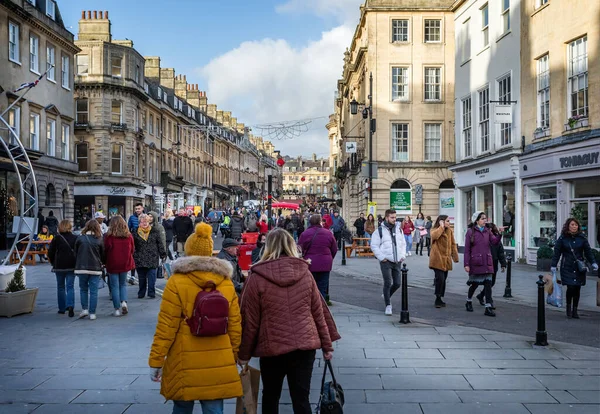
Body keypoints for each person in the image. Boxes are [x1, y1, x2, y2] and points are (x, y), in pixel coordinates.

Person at [238, 228, 340, 414]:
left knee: (270, 397)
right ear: (291, 246)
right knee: (301, 400)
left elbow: (249, 321)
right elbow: (319, 313)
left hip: (271, 348)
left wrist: (244, 354)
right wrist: (327, 346)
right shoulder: (305, 274)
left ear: (267, 247)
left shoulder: (256, 277)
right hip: (304, 347)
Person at [149, 222, 243, 414]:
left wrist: (156, 361)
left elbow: (166, 326)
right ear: (210, 250)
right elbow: (235, 324)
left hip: (184, 359)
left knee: (182, 406)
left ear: (188, 250)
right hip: (218, 356)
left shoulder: (176, 281)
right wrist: (235, 355)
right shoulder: (225, 282)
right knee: (214, 407)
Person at [551, 218, 598, 319]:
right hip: (567, 266)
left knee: (577, 288)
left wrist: (593, 262)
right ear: (568, 226)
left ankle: (575, 310)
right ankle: (568, 308)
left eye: (576, 225)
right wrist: (553, 265)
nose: (574, 227)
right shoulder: (563, 238)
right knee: (571, 287)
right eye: (572, 225)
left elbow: (588, 251)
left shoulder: (582, 238)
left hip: (579, 267)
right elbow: (557, 252)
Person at [370, 209, 407, 315]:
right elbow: (374, 245)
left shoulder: (399, 229)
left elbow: (403, 243)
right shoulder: (379, 231)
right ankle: (388, 305)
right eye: (392, 217)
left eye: (395, 217)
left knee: (397, 283)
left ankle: (386, 294)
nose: (394, 219)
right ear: (386, 218)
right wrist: (382, 257)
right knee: (388, 282)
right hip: (386, 261)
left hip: (397, 260)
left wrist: (402, 255)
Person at [464, 211, 501, 317]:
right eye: (482, 219)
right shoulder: (470, 232)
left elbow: (494, 242)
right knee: (474, 284)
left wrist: (499, 234)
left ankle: (488, 307)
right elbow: (467, 250)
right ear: (477, 221)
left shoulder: (487, 231)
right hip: (476, 262)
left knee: (488, 284)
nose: (485, 220)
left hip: (487, 262)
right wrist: (466, 264)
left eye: (485, 218)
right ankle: (469, 301)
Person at [298, 214, 337, 303]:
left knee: (310, 287)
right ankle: (321, 307)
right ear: (320, 222)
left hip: (310, 263)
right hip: (325, 264)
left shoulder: (305, 234)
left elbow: (299, 249)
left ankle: (311, 307)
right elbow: (334, 249)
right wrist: (329, 258)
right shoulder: (328, 233)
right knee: (322, 288)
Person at [104, 216, 135, 317]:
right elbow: (132, 250)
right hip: (125, 263)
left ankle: (116, 309)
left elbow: (106, 250)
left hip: (112, 263)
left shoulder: (109, 236)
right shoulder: (129, 235)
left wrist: (104, 261)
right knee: (123, 284)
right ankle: (124, 302)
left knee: (114, 286)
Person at [74, 219, 105, 320]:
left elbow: (75, 252)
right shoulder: (99, 239)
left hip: (82, 268)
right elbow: (103, 254)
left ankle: (84, 309)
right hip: (95, 268)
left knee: (83, 289)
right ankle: (92, 313)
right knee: (93, 291)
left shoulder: (80, 238)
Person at [48, 219, 78, 317]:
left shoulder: (56, 238)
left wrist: (53, 262)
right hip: (71, 265)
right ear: (70, 227)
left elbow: (50, 252)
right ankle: (70, 306)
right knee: (70, 286)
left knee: (60, 286)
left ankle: (61, 308)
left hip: (59, 265)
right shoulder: (75, 238)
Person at [429, 215, 459, 308]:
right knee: (440, 279)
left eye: (449, 221)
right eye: (447, 221)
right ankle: (437, 298)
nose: (449, 223)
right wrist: (441, 227)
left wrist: (455, 256)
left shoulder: (449, 231)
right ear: (441, 222)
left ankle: (440, 297)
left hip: (446, 259)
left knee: (444, 279)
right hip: (437, 259)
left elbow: (453, 244)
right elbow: (434, 236)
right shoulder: (434, 230)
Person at [475, 223, 507, 310]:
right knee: (486, 283)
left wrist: (503, 264)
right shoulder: (484, 239)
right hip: (485, 263)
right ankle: (489, 302)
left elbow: (500, 252)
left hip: (494, 263)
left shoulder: (496, 239)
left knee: (491, 282)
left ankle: (481, 295)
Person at [133, 214, 166, 299]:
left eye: (146, 221)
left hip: (152, 257)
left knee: (152, 276)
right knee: (142, 277)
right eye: (142, 221)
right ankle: (141, 292)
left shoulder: (154, 231)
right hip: (140, 257)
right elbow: (132, 245)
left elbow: (159, 243)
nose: (145, 223)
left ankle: (151, 292)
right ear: (139, 222)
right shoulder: (135, 232)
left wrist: (163, 254)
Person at [127, 203, 144, 284]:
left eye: (139, 208)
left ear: (142, 208)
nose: (137, 210)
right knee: (133, 258)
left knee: (142, 258)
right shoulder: (132, 217)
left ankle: (142, 276)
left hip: (144, 240)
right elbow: (128, 228)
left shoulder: (146, 217)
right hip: (134, 241)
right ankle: (133, 276)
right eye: (136, 209)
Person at [149, 212, 167, 279]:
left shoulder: (159, 227)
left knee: (153, 271)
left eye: (151, 216)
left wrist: (163, 252)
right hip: (147, 252)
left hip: (156, 251)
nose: (150, 218)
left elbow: (162, 240)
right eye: (149, 216)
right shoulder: (145, 226)